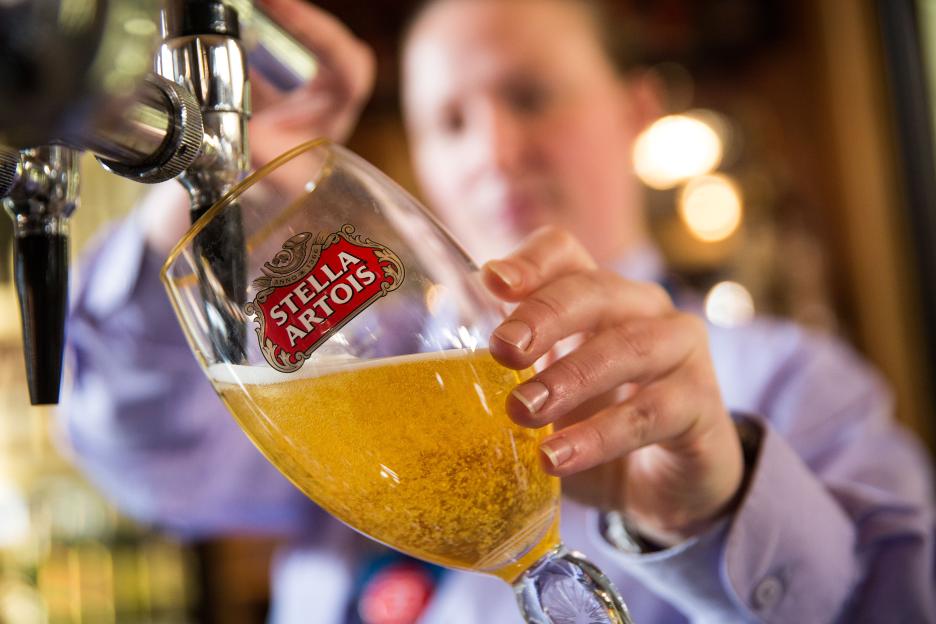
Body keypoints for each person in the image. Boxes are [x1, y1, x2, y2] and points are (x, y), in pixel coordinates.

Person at [61, 0, 935, 622]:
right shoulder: (356, 375)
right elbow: (138, 450)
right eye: (447, 121)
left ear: (637, 112)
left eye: (529, 96)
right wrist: (229, 172)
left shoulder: (784, 380)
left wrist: (717, 512)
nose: (493, 150)